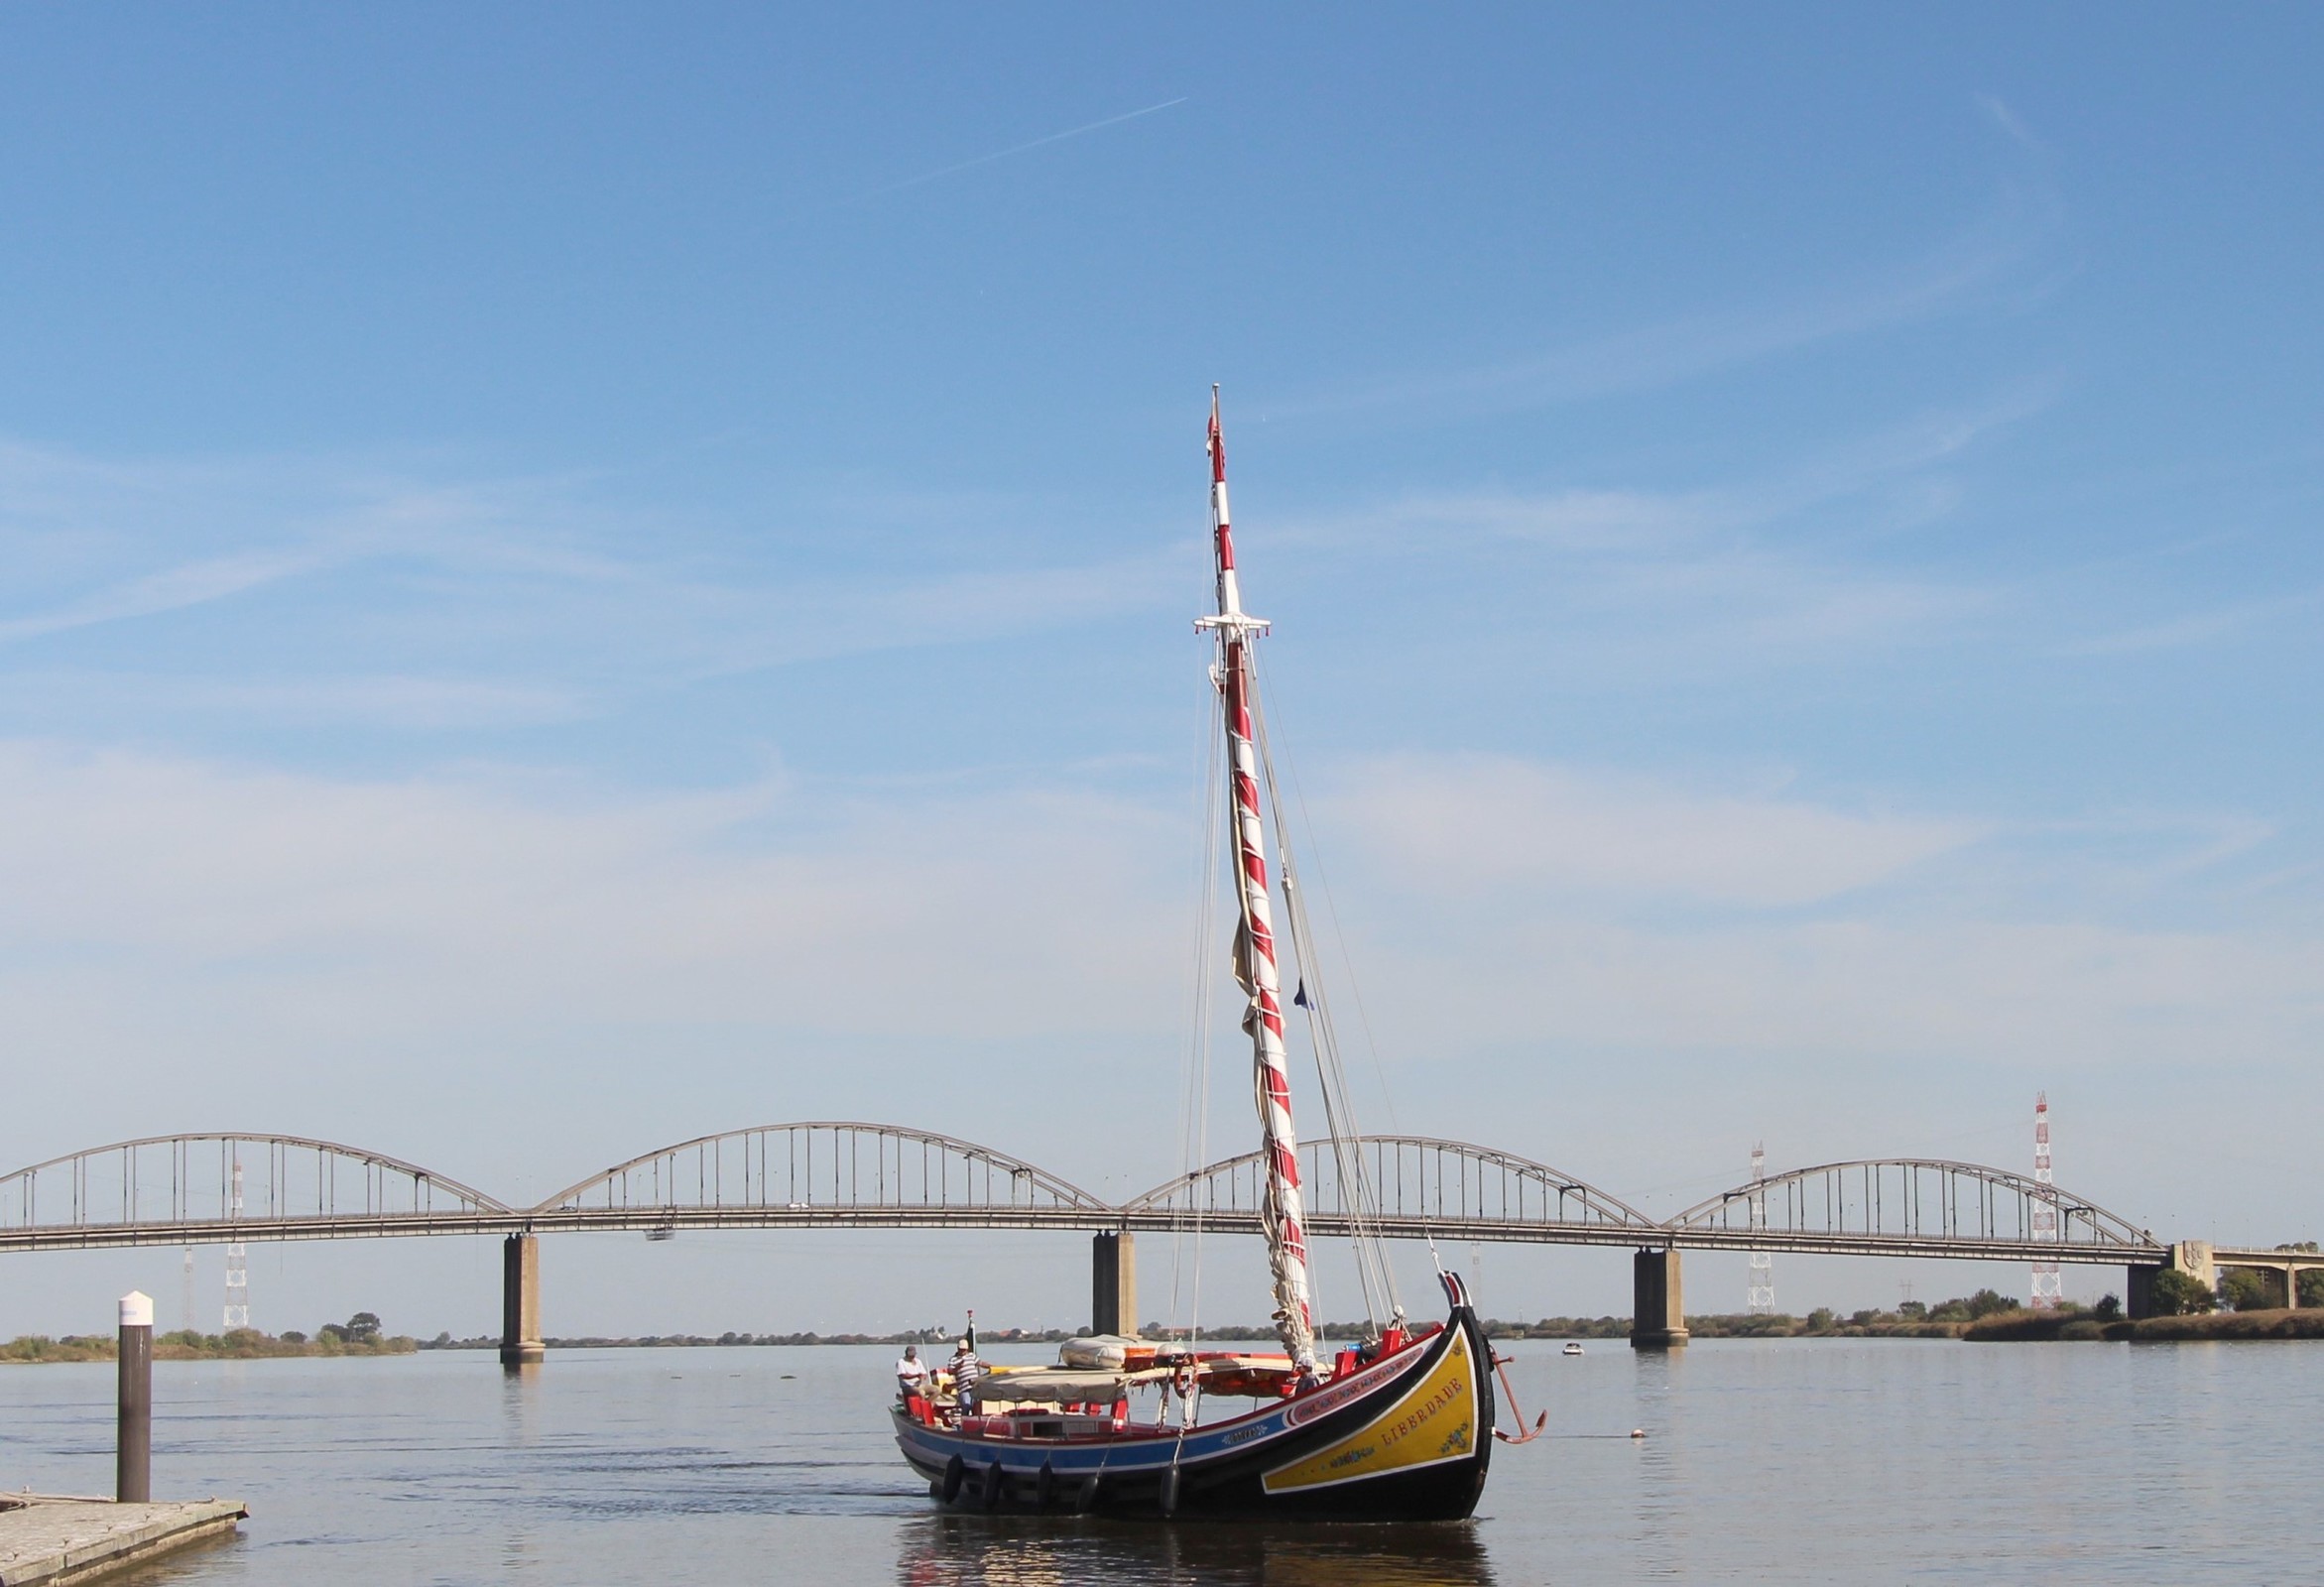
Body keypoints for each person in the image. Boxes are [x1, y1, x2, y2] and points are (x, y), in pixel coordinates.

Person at [948, 1338, 983, 1413]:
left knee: (976, 1406)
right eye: (961, 1349)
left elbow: (981, 1363)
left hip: (975, 1386)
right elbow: (950, 1371)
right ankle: (964, 1420)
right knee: (966, 1405)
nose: (962, 1351)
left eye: (964, 1349)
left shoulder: (972, 1356)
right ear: (958, 1348)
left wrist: (992, 1367)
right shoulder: (953, 1359)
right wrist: (958, 1367)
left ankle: (976, 1421)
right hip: (964, 1388)